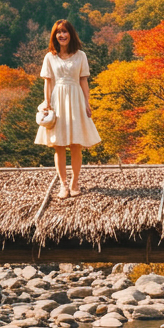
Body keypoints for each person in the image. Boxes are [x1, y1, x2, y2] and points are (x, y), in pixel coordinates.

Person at [35, 19, 100, 197]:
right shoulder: (50, 57)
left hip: (76, 99)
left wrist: (87, 103)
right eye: (58, 32)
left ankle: (75, 182)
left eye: (64, 32)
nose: (61, 35)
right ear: (54, 36)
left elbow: (83, 80)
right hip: (57, 100)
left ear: (71, 34)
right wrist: (47, 103)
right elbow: (48, 82)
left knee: (75, 144)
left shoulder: (81, 55)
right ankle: (63, 184)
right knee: (59, 144)